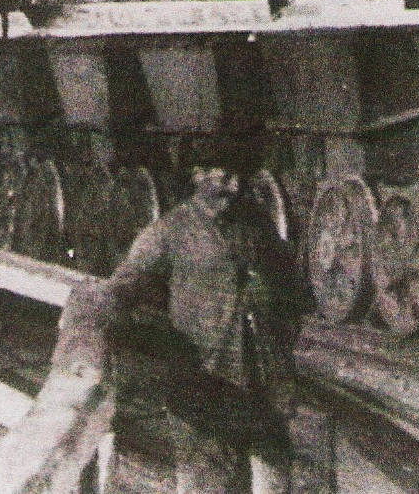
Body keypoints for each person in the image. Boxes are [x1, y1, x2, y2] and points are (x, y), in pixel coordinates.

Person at [101, 167, 300, 494]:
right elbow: (124, 285)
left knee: (274, 480)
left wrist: (279, 344)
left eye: (238, 175)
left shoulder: (254, 226)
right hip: (202, 384)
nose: (235, 185)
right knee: (207, 482)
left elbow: (293, 287)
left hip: (260, 383)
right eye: (225, 176)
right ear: (196, 174)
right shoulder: (170, 230)